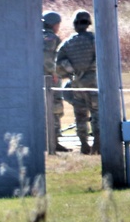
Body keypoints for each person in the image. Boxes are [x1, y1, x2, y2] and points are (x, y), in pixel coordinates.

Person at [56, 9, 99, 155]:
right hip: (94, 84)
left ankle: (83, 144)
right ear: (89, 23)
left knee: (80, 116)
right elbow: (103, 58)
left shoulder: (68, 43)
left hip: (76, 85)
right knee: (97, 114)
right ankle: (97, 144)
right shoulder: (95, 40)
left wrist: (72, 72)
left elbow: (59, 64)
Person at [42, 11, 69, 152]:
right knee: (55, 108)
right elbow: (47, 59)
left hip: (38, 79)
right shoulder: (50, 38)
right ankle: (53, 141)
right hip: (49, 79)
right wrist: (54, 72)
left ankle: (48, 140)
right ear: (53, 24)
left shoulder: (36, 35)